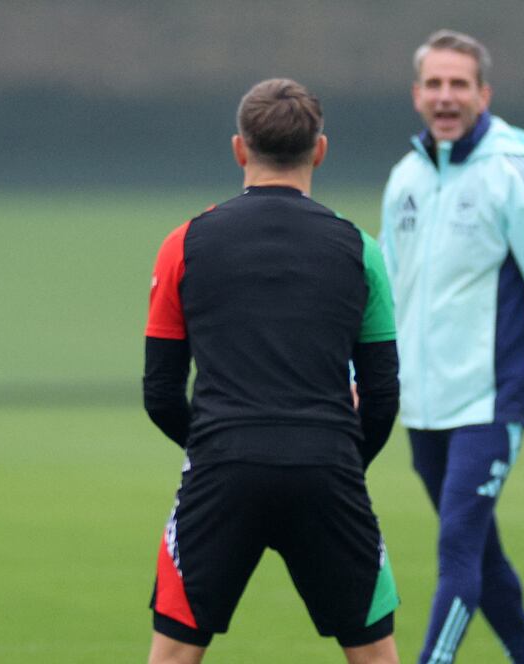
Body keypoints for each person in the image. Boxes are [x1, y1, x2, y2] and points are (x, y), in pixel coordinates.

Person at [143, 78, 402, 664]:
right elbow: (383, 394)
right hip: (328, 467)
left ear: (240, 149)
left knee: (175, 653)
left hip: (222, 469)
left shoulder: (182, 244)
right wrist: (337, 455)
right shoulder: (361, 250)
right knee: (374, 654)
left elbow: (160, 393)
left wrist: (220, 444)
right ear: (320, 149)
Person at [379, 30, 524, 664]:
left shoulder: (516, 173)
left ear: (483, 94)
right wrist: (367, 371)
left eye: (459, 85)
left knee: (458, 550)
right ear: (417, 95)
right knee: (482, 553)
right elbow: (388, 288)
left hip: (489, 402)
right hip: (422, 404)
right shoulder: (406, 177)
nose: (446, 97)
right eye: (435, 85)